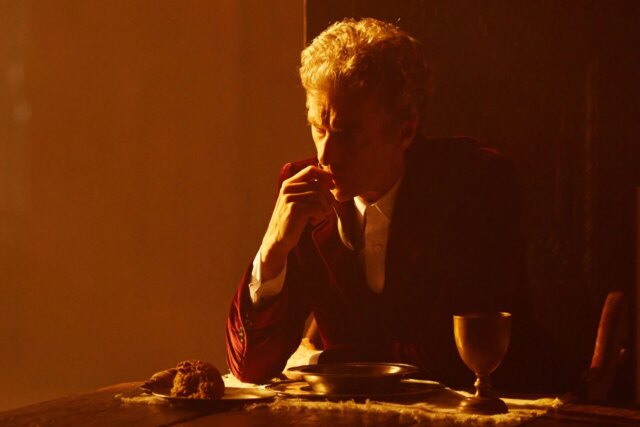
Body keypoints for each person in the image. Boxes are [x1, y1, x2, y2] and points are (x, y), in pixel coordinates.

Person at [226, 17, 567, 392]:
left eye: (348, 134)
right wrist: (272, 251)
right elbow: (251, 367)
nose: (326, 155)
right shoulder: (302, 191)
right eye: (318, 128)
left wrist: (323, 362)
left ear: (405, 131)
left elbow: (455, 356)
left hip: (510, 403)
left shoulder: (476, 185)